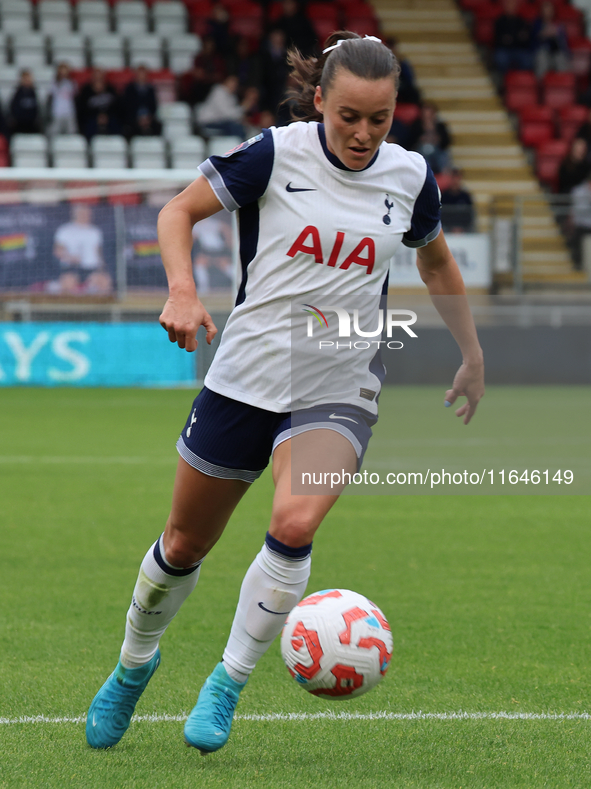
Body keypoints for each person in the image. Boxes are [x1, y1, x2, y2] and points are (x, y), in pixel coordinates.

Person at [86, 31, 484, 754]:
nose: (364, 134)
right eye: (349, 117)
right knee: (183, 543)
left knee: (296, 522)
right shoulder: (275, 153)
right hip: (245, 374)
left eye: (380, 118)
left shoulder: (409, 176)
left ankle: (227, 682)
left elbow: (436, 264)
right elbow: (177, 213)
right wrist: (181, 290)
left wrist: (471, 352)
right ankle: (132, 667)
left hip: (340, 379)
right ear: (320, 102)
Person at [52, 203, 112, 294]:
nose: (85, 215)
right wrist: (70, 257)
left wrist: (101, 268)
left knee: (104, 281)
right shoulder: (65, 230)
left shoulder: (95, 231)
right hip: (72, 267)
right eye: (82, 213)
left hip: (91, 268)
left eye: (87, 213)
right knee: (68, 283)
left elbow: (98, 253)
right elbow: (57, 251)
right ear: (75, 214)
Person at [407, 100, 451, 173]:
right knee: (425, 150)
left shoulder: (440, 126)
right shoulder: (416, 126)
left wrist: (438, 139)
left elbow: (446, 141)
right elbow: (410, 141)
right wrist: (421, 139)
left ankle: (443, 173)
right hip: (421, 150)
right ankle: (423, 172)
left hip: (438, 150)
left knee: (444, 154)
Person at [76, 68, 121, 140]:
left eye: (100, 77)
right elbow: (82, 109)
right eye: (96, 77)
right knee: (89, 125)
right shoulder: (86, 91)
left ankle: (115, 145)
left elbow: (117, 107)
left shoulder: (111, 89)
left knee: (115, 124)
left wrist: (106, 115)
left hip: (108, 117)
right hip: (92, 118)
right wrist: (97, 116)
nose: (98, 79)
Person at [531, 1, 569, 78]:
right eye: (545, 10)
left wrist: (557, 35)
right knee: (542, 59)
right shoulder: (537, 24)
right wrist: (542, 35)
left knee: (561, 59)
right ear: (541, 11)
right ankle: (540, 85)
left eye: (550, 10)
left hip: (556, 52)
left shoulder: (559, 25)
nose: (548, 12)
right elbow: (532, 43)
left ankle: (562, 85)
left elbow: (564, 45)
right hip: (542, 52)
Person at [493, 0, 533, 74]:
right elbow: (498, 40)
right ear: (504, 7)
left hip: (519, 49)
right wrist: (515, 38)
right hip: (504, 50)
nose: (510, 7)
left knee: (527, 60)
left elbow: (525, 39)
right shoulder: (500, 21)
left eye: (513, 5)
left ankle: (521, 79)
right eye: (508, 5)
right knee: (501, 59)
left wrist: (511, 39)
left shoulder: (521, 21)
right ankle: (503, 81)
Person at [123, 65, 160, 139]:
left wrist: (148, 118)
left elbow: (154, 106)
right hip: (134, 118)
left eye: (143, 74)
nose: (142, 77)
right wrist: (138, 118)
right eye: (140, 74)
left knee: (158, 126)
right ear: (136, 75)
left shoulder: (150, 89)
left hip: (148, 118)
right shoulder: (129, 89)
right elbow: (127, 106)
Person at [47, 62, 78, 136]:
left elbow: (75, 97)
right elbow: (50, 97)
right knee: (54, 133)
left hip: (69, 113)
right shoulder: (53, 83)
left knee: (71, 133)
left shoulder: (72, 83)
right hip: (57, 113)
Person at [440, 168, 475, 233]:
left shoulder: (465, 197)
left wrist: (461, 228)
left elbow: (470, 215)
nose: (455, 181)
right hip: (446, 229)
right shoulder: (443, 196)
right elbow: (440, 215)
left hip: (463, 230)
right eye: (453, 178)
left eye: (457, 178)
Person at [9, 70, 40, 134]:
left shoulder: (33, 93)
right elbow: (14, 107)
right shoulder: (18, 93)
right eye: (25, 79)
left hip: (31, 122)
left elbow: (36, 108)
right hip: (20, 122)